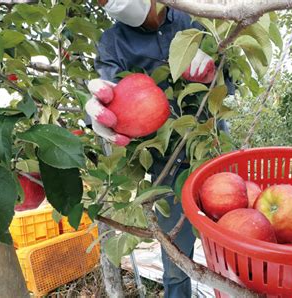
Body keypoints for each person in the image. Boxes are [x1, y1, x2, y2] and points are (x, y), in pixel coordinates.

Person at [85, 1, 225, 297]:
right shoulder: (113, 41)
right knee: (176, 260)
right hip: (166, 162)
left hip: (214, 149)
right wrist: (98, 112)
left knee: (233, 241)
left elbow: (230, 82)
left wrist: (215, 72)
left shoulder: (194, 19)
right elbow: (108, 90)